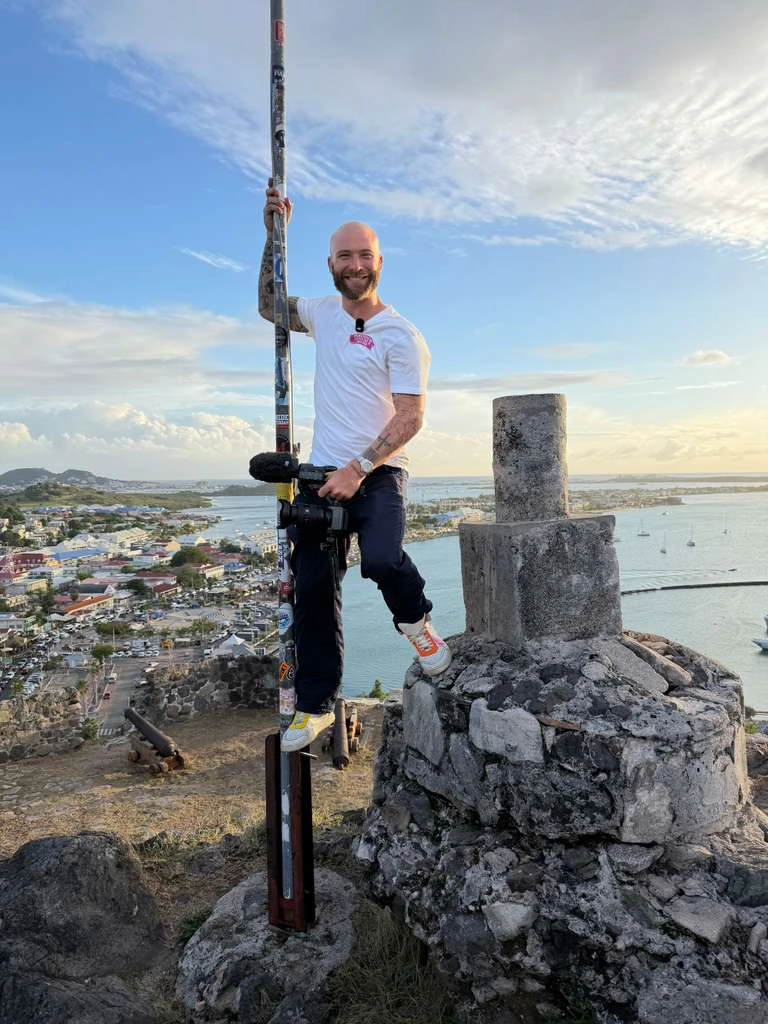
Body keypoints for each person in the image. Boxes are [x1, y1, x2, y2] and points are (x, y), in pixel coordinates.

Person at [259, 183, 451, 752]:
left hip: (381, 469)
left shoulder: (401, 334)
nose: (355, 264)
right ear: (332, 264)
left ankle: (415, 623)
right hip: (321, 472)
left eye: (364, 254)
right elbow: (270, 306)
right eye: (345, 256)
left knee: (384, 558)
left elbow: (412, 417)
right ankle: (317, 705)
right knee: (314, 586)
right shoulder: (321, 313)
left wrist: (361, 467)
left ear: (380, 263)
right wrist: (273, 234)